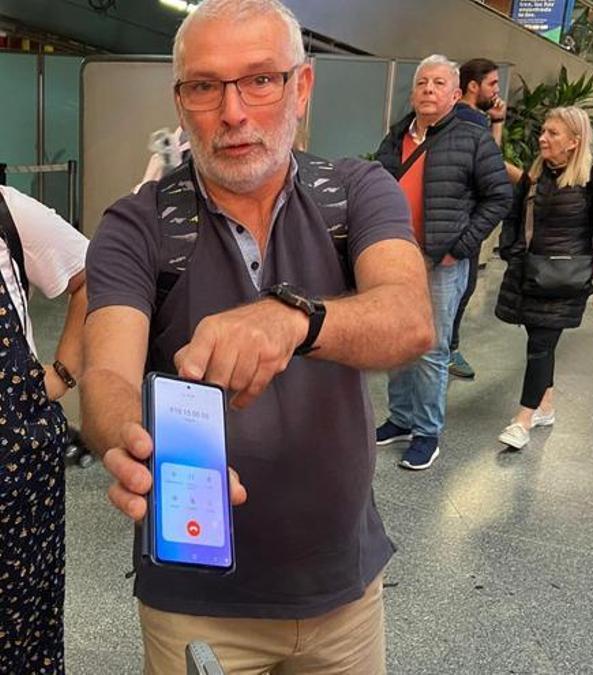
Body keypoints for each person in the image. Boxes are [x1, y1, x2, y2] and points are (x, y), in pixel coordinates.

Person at [80, 0, 433, 671]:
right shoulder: (139, 224)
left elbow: (409, 317)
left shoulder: (355, 192)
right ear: (182, 103)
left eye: (260, 80)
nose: (234, 113)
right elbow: (107, 376)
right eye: (206, 86)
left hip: (344, 593)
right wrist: (128, 439)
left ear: (302, 86)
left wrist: (296, 317)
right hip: (196, 600)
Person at [372, 54, 512, 470]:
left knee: (432, 349)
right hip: (397, 259)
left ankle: (427, 432)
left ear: (455, 94)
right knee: (398, 343)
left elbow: (500, 196)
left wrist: (461, 246)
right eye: (422, 83)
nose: (428, 90)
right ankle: (400, 418)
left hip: (441, 262)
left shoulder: (471, 137)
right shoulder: (397, 136)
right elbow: (378, 186)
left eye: (438, 84)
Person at [494, 106, 593, 449]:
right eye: (543, 131)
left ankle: (523, 419)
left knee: (541, 344)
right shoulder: (537, 172)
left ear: (574, 141)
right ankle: (546, 405)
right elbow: (514, 215)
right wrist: (510, 251)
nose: (543, 138)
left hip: (564, 278)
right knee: (539, 341)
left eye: (553, 133)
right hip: (529, 272)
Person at [0, 183, 88, 672]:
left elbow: (91, 273)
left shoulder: (6, 209)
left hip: (15, 478)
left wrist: (63, 373)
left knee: (20, 629)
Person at [446, 57, 509, 381]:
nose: (497, 90)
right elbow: (491, 166)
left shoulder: (453, 117)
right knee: (460, 286)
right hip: (464, 218)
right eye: (492, 84)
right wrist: (496, 123)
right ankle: (447, 349)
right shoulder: (471, 120)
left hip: (451, 216)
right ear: (473, 86)